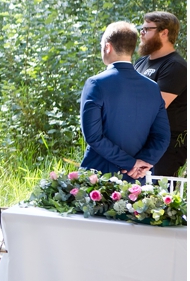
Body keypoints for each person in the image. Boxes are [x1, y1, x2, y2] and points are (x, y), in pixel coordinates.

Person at [80, 21, 170, 182]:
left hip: (99, 179)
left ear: (107, 47)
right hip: (139, 181)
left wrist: (131, 164)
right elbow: (162, 136)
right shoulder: (152, 87)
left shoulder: (96, 84)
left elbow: (93, 136)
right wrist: (142, 163)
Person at [133, 11, 187, 176]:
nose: (141, 33)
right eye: (141, 29)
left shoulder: (175, 66)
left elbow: (155, 108)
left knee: (159, 191)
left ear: (164, 33)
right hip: (142, 142)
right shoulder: (141, 62)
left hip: (166, 147)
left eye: (147, 29)